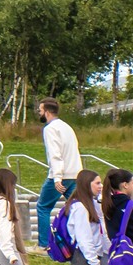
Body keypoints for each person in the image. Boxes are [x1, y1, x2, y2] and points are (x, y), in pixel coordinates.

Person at [40, 99, 84, 253]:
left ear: (46, 111)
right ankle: (83, 240)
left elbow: (55, 154)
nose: (39, 113)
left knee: (43, 207)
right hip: (75, 173)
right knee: (79, 207)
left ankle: (44, 244)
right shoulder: (67, 127)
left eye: (40, 110)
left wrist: (57, 177)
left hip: (60, 175)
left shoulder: (50, 129)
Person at [63, 170, 108, 265]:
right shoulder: (80, 208)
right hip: (85, 258)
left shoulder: (92, 203)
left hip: (92, 255)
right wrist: (95, 264)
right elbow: (84, 239)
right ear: (87, 184)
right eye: (97, 183)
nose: (101, 186)